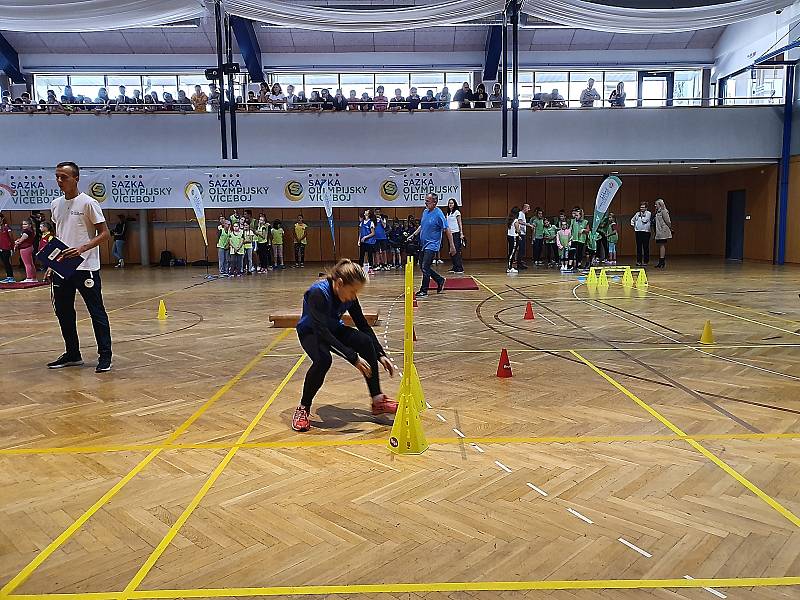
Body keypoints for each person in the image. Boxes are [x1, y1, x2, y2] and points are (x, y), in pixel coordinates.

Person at [291, 259, 398, 432]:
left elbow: (363, 325)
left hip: (332, 328)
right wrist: (353, 357)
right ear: (340, 283)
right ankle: (303, 408)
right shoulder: (318, 293)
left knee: (365, 341)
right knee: (323, 360)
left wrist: (380, 354)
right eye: (353, 291)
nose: (354, 296)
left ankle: (378, 400)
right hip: (312, 332)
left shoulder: (349, 295)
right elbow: (322, 333)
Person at [47, 162, 112, 372]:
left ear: (76, 178)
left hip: (86, 266)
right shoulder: (56, 204)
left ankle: (105, 355)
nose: (59, 181)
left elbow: (104, 234)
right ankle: (73, 354)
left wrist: (82, 248)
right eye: (57, 177)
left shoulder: (88, 203)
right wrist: (52, 263)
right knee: (64, 312)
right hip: (62, 268)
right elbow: (60, 235)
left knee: (96, 311)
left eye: (64, 177)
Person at [409, 193, 455, 297]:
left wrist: (452, 245)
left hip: (432, 245)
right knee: (422, 266)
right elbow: (422, 226)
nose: (425, 203)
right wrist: (413, 235)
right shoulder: (425, 212)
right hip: (423, 244)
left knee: (425, 266)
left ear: (434, 203)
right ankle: (440, 280)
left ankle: (424, 290)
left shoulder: (439, 214)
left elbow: (447, 229)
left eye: (427, 201)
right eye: (425, 200)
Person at [445, 198, 464, 274]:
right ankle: (455, 266)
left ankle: (460, 268)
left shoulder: (457, 212)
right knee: (451, 251)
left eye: (452, 203)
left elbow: (460, 223)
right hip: (450, 234)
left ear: (454, 204)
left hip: (456, 233)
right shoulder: (448, 213)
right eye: (449, 203)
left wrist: (461, 233)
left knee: (456, 250)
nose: (450, 204)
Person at [654, 198, 672, 269]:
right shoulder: (657, 212)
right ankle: (661, 261)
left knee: (662, 245)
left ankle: (662, 261)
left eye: (656, 204)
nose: (655, 205)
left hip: (663, 230)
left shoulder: (664, 211)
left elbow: (668, 221)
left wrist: (669, 228)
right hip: (659, 231)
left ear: (660, 204)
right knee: (660, 245)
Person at [505, 207, 521, 274]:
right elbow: (517, 230)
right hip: (514, 238)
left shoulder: (510, 219)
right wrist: (519, 233)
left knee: (511, 252)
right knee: (512, 253)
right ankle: (509, 268)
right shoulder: (515, 220)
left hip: (510, 236)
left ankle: (510, 267)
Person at [515, 204, 531, 270]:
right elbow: (519, 221)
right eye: (528, 208)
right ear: (525, 208)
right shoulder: (520, 213)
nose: (529, 209)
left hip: (523, 234)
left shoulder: (523, 214)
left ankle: (520, 262)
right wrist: (528, 224)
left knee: (522, 249)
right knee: (521, 249)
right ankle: (519, 264)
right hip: (521, 234)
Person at [0, 214, 14, 283]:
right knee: (4, 263)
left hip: (6, 248)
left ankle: (11, 277)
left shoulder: (6, 227)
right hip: (0, 248)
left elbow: (11, 237)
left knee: (7, 262)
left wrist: (12, 247)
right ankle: (8, 277)